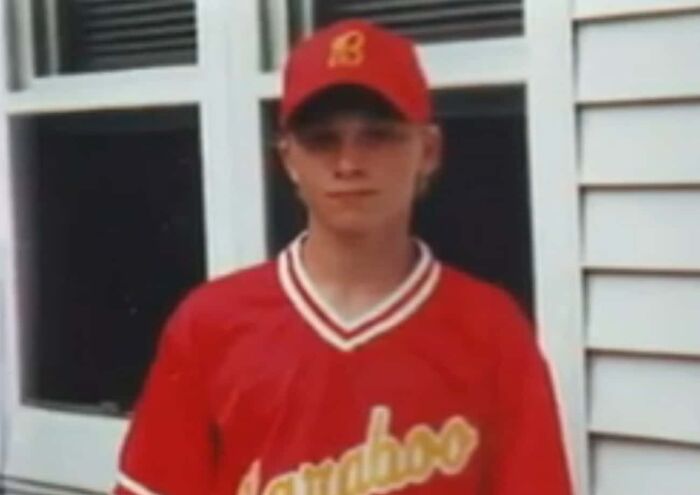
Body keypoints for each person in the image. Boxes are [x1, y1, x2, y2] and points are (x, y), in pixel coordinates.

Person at [114, 18, 572, 495]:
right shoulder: (211, 324)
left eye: (378, 135)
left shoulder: (490, 328)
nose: (349, 164)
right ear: (288, 159)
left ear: (429, 150)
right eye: (321, 140)